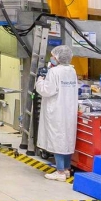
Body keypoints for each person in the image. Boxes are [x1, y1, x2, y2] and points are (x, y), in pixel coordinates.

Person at [36, 45, 80, 181]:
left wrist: (40, 80)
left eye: (53, 56)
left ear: (58, 57)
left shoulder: (54, 72)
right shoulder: (72, 71)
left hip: (56, 111)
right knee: (67, 140)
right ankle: (66, 169)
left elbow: (47, 91)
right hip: (69, 110)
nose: (52, 58)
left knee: (57, 140)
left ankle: (60, 172)